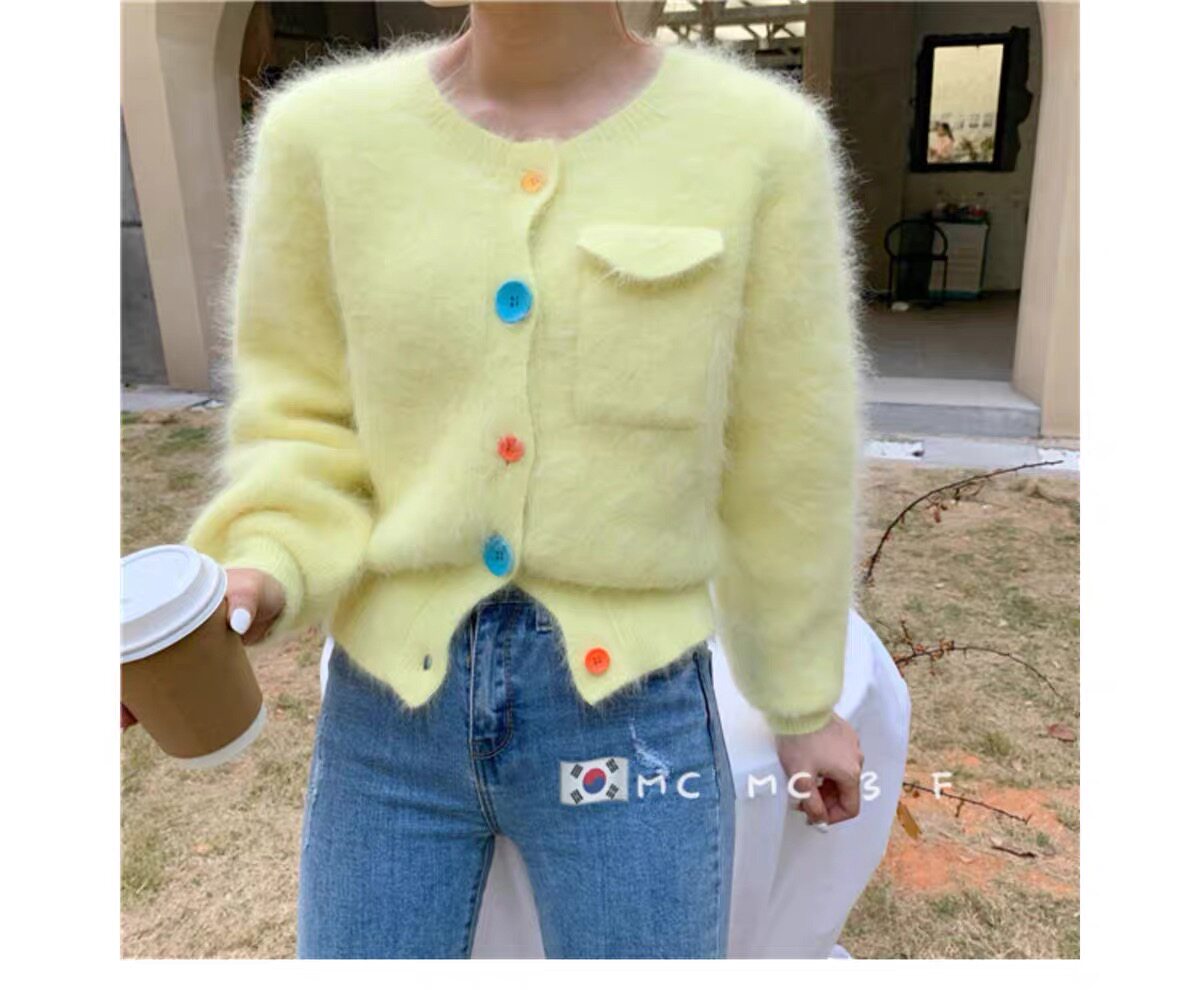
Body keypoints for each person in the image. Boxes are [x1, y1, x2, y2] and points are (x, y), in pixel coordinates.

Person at [175, 0, 867, 959]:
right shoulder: (321, 137)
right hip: (389, 717)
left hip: (631, 715)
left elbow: (789, 452)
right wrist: (261, 561)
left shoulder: (761, 142)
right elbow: (300, 417)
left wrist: (800, 702)